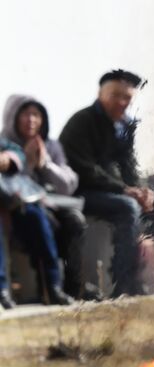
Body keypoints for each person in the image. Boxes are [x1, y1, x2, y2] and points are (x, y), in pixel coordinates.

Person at [59, 70, 154, 297]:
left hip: (113, 190)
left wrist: (143, 191)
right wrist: (125, 190)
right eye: (116, 95)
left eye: (127, 97)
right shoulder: (82, 122)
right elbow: (85, 170)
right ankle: (124, 284)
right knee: (127, 207)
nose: (122, 102)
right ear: (100, 94)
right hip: (82, 191)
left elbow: (128, 166)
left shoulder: (122, 126)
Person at [2, 94, 89, 299]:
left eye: (36, 115)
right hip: (20, 207)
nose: (31, 120)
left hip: (53, 204)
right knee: (41, 221)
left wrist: (45, 165)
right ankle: (49, 286)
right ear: (12, 116)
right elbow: (10, 185)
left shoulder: (51, 146)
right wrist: (27, 165)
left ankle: (73, 287)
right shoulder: (6, 145)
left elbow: (69, 185)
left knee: (75, 221)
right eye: (25, 114)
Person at [0, 140, 73, 306]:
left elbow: (16, 151)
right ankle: (1, 290)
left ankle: (52, 286)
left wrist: (8, 158)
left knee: (38, 218)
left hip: (13, 201)